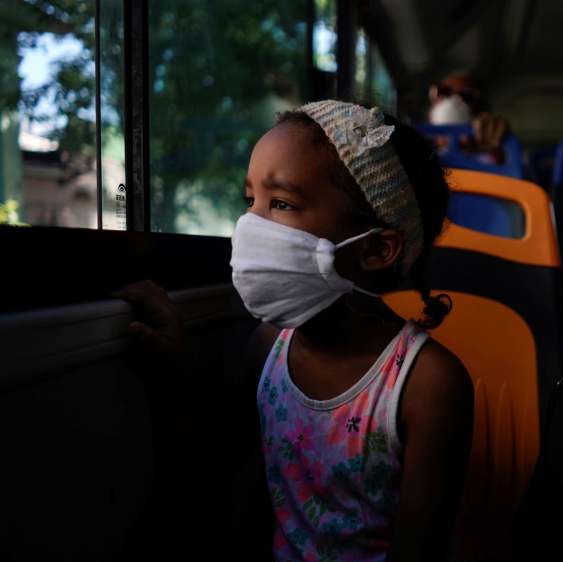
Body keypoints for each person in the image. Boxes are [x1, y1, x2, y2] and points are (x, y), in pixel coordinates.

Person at [113, 100, 475, 561]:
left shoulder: (430, 384)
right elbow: (207, 470)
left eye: (281, 203)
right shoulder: (269, 345)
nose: (249, 226)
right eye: (251, 201)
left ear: (374, 250)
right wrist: (178, 370)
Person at [427, 72, 510, 164]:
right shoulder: (419, 149)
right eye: (443, 92)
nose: (451, 102)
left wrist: (499, 143)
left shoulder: (491, 160)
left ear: (482, 110)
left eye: (466, 96)